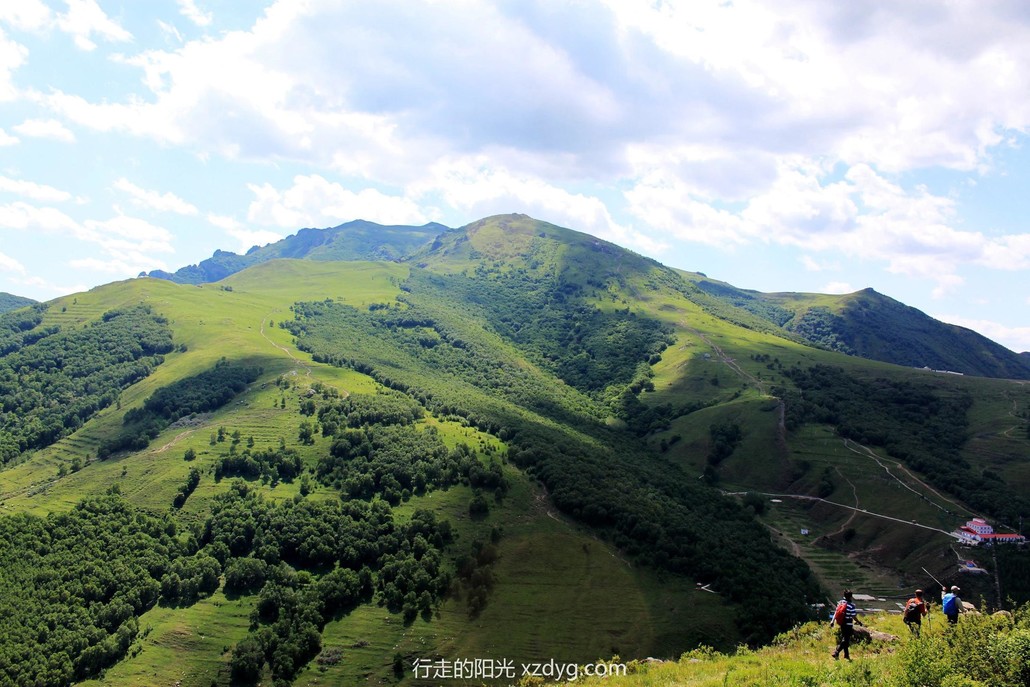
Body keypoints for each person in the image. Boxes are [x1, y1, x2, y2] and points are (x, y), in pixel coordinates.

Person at [831, 589, 864, 660]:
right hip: (848, 624)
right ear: (850, 597)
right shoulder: (851, 605)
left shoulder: (840, 603)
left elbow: (836, 612)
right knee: (846, 639)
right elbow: (853, 616)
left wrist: (832, 621)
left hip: (842, 623)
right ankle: (836, 652)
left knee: (845, 639)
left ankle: (846, 655)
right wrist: (859, 622)